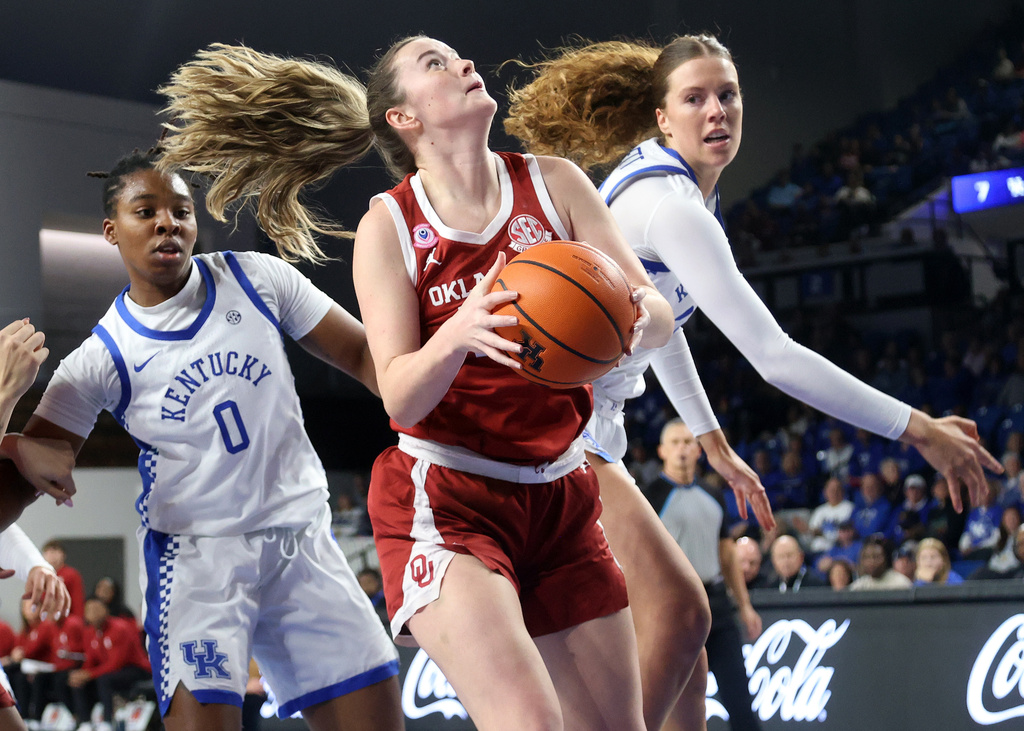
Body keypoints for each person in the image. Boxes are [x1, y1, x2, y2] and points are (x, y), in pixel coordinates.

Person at [157, 39, 678, 730]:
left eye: (460, 56)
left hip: (561, 489)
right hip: (451, 496)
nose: (464, 63)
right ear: (404, 118)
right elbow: (400, 394)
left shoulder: (556, 184)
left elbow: (659, 312)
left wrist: (633, 316)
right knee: (531, 721)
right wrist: (459, 332)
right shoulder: (393, 223)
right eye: (436, 62)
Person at [505, 34, 1001, 727]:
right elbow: (774, 356)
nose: (717, 112)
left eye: (729, 95)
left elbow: (665, 318)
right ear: (662, 117)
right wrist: (918, 428)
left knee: (690, 667)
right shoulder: (670, 205)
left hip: (586, 430)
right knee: (682, 615)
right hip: (558, 432)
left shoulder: (673, 188)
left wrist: (711, 439)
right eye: (696, 98)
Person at [6, 150, 402, 731]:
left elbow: (369, 357)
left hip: (302, 541)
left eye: (181, 210)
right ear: (112, 231)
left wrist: (443, 403)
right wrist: (14, 441)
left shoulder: (256, 277)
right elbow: (40, 466)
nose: (168, 222)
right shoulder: (98, 359)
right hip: (199, 565)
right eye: (147, 211)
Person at [643, 419, 762, 731]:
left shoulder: (713, 494)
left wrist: (745, 605)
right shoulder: (648, 497)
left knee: (740, 699)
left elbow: (727, 554)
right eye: (675, 442)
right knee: (671, 704)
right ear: (662, 451)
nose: (682, 448)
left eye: (687, 442)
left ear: (698, 450)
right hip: (670, 606)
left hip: (717, 604)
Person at [65, 596, 151, 725]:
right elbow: (90, 659)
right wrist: (82, 674)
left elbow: (116, 663)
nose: (93, 613)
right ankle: (85, 722)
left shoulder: (120, 628)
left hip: (136, 669)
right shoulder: (89, 632)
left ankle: (107, 721)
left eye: (97, 608)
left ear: (106, 610)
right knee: (77, 680)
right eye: (89, 610)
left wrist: (89, 674)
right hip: (110, 671)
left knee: (104, 680)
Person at [848, 536, 912, 590]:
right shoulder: (858, 587)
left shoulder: (901, 584)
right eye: (867, 557)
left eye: (876, 557)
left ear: (887, 558)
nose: (871, 562)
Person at [41, 541, 84, 619]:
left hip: (66, 619)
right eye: (48, 552)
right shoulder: (41, 575)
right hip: (46, 620)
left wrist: (78, 621)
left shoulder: (71, 574)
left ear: (63, 555)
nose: (52, 556)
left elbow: (77, 601)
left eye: (55, 552)